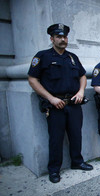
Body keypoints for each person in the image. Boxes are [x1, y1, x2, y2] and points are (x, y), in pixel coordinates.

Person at [28, 23, 93, 183]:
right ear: (52, 38)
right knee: (56, 139)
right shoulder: (42, 56)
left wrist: (81, 91)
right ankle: (54, 170)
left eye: (64, 36)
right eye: (59, 36)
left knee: (76, 135)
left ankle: (77, 162)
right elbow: (32, 79)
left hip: (74, 103)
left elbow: (83, 76)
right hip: (55, 105)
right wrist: (51, 98)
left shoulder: (72, 57)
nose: (62, 39)